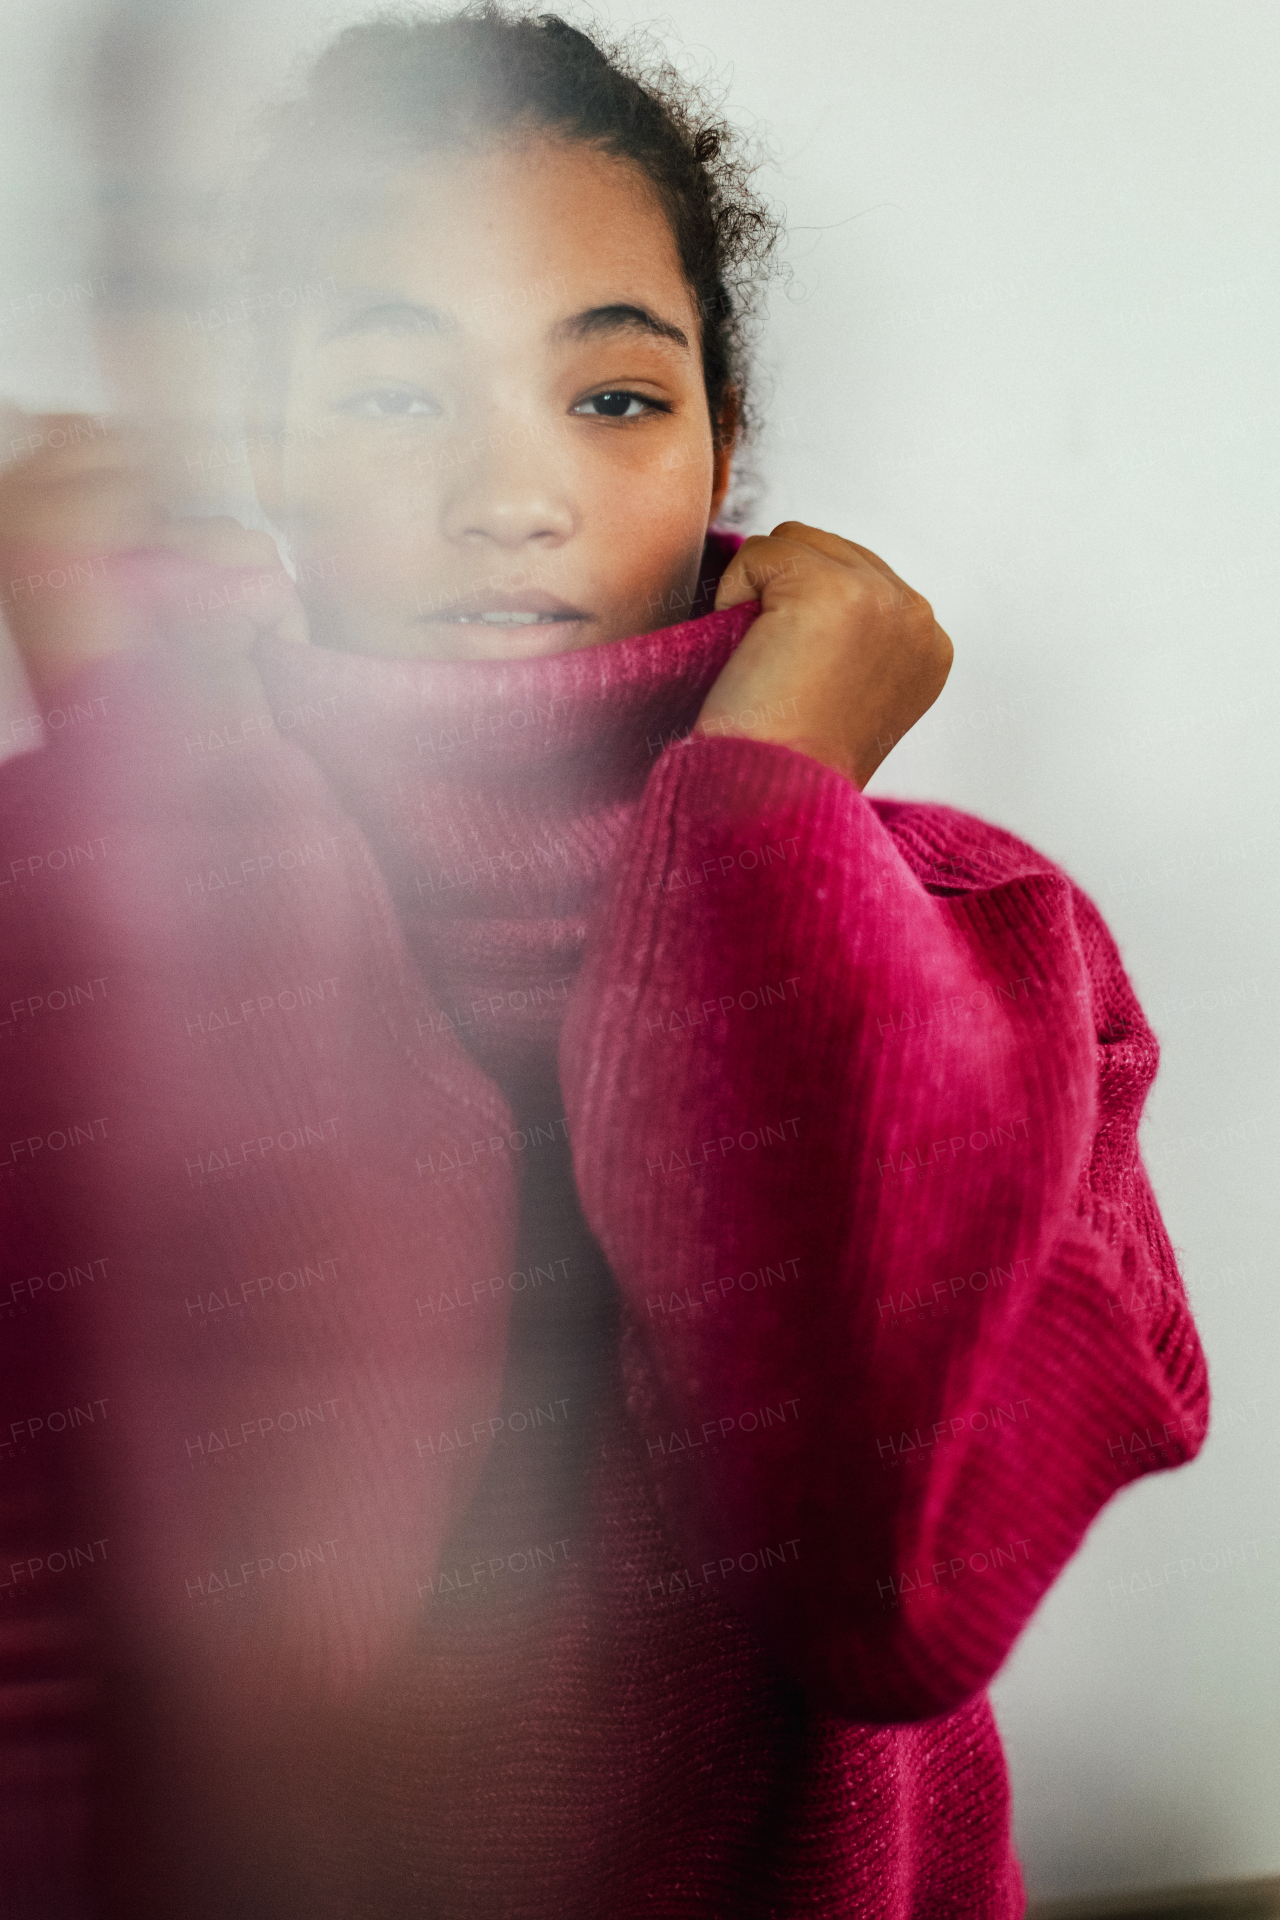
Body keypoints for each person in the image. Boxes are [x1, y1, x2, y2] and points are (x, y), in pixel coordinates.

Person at [0, 8, 1209, 1915]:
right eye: (397, 394)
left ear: (731, 447)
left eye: (617, 399)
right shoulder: (78, 885)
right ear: (262, 457)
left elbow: (882, 1591)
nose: (517, 495)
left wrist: (766, 810)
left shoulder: (990, 941)